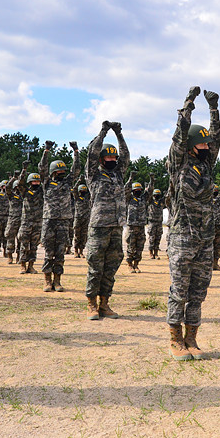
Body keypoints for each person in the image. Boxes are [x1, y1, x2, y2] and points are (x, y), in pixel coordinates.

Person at [165, 87, 220, 360]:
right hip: (182, 238)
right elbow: (179, 137)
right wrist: (188, 105)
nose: (207, 147)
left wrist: (214, 109)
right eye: (201, 144)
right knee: (179, 290)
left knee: (198, 292)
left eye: (207, 145)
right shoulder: (178, 164)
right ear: (189, 146)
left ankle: (192, 339)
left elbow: (217, 137)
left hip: (204, 238)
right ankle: (175, 340)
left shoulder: (207, 165)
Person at [84, 123, 130, 318]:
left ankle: (105, 303)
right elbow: (91, 154)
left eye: (113, 157)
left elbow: (126, 156)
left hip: (116, 227)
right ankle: (91, 304)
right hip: (99, 226)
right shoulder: (93, 174)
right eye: (108, 157)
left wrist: (119, 133)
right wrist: (103, 133)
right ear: (102, 160)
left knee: (111, 267)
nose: (112, 159)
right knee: (96, 266)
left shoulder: (118, 173)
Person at [39, 140, 81, 292]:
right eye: (58, 172)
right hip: (49, 221)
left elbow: (76, 170)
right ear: (53, 173)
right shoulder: (47, 182)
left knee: (60, 253)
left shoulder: (68, 182)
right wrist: (46, 151)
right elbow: (42, 169)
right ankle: (47, 281)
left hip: (64, 222)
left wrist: (76, 152)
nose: (62, 174)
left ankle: (57, 281)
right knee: (48, 253)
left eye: (63, 172)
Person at [17, 169, 43, 273]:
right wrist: (23, 172)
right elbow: (20, 184)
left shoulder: (41, 191)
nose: (36, 183)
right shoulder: (25, 192)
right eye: (34, 181)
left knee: (34, 245)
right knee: (24, 244)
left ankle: (31, 265)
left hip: (37, 222)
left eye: (37, 181)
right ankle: (23, 265)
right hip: (26, 222)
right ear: (29, 182)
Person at [125, 178, 148, 273]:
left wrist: (151, 181)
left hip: (141, 226)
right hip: (131, 226)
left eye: (139, 190)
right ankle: (130, 265)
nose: (138, 192)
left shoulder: (143, 199)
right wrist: (130, 179)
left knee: (139, 247)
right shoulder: (129, 199)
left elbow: (149, 192)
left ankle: (136, 265)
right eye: (136, 190)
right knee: (131, 246)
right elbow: (125, 190)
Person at [146, 175, 165, 259]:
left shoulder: (161, 202)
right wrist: (151, 182)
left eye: (158, 195)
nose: (157, 196)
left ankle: (156, 253)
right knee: (151, 238)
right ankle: (150, 253)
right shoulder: (150, 201)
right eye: (156, 195)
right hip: (152, 222)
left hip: (159, 223)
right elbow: (148, 193)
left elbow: (167, 196)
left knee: (158, 238)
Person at [72, 181, 91, 259]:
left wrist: (87, 181)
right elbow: (74, 190)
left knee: (84, 235)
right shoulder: (77, 198)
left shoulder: (88, 197)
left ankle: (81, 251)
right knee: (77, 235)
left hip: (86, 219)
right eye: (81, 191)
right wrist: (79, 181)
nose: (83, 192)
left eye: (84, 191)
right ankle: (76, 251)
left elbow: (91, 188)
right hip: (78, 219)